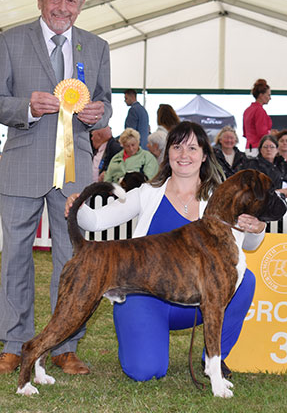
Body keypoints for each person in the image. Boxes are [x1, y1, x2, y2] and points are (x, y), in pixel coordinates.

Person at [66, 121, 266, 382]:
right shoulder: (148, 193)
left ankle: (215, 360)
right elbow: (95, 222)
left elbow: (248, 245)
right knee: (146, 371)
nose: (184, 155)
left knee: (245, 280)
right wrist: (76, 206)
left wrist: (257, 227)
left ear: (205, 155)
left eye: (192, 148)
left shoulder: (220, 196)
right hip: (143, 294)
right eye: (177, 147)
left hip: (195, 299)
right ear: (167, 153)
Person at [0, 0, 112, 374]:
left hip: (74, 170)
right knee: (14, 258)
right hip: (20, 166)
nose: (62, 7)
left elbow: (104, 104)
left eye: (70, 0)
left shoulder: (97, 47)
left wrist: (99, 114)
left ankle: (65, 345)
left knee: (73, 261)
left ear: (81, 6)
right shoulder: (9, 41)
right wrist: (26, 106)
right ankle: (14, 343)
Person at [243, 135, 287, 200]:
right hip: (264, 203)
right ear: (261, 150)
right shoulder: (253, 165)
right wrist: (279, 192)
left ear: (277, 150)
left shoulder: (283, 164)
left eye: (272, 147)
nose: (268, 149)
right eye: (265, 147)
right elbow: (253, 190)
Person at [243, 79, 272, 157]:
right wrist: (272, 133)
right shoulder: (260, 111)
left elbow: (245, 133)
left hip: (249, 147)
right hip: (258, 148)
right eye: (268, 95)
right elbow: (262, 133)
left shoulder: (247, 110)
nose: (270, 98)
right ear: (261, 95)